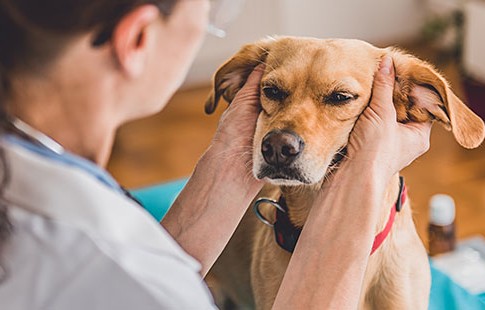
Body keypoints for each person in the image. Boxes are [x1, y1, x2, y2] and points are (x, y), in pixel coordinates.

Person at [0, 0, 432, 309]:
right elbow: (148, 281)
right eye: (212, 14)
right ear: (138, 38)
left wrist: (230, 155)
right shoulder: (125, 274)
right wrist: (361, 183)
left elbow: (156, 265)